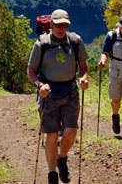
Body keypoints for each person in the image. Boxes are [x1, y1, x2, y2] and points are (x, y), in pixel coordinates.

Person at [27, 9, 89, 184]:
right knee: (52, 135)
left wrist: (83, 78)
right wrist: (39, 85)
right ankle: (52, 173)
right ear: (51, 25)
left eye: (64, 25)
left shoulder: (76, 42)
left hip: (70, 90)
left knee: (71, 131)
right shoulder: (42, 44)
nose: (61, 28)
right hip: (49, 93)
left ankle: (62, 158)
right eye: (58, 25)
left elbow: (83, 66)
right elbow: (31, 70)